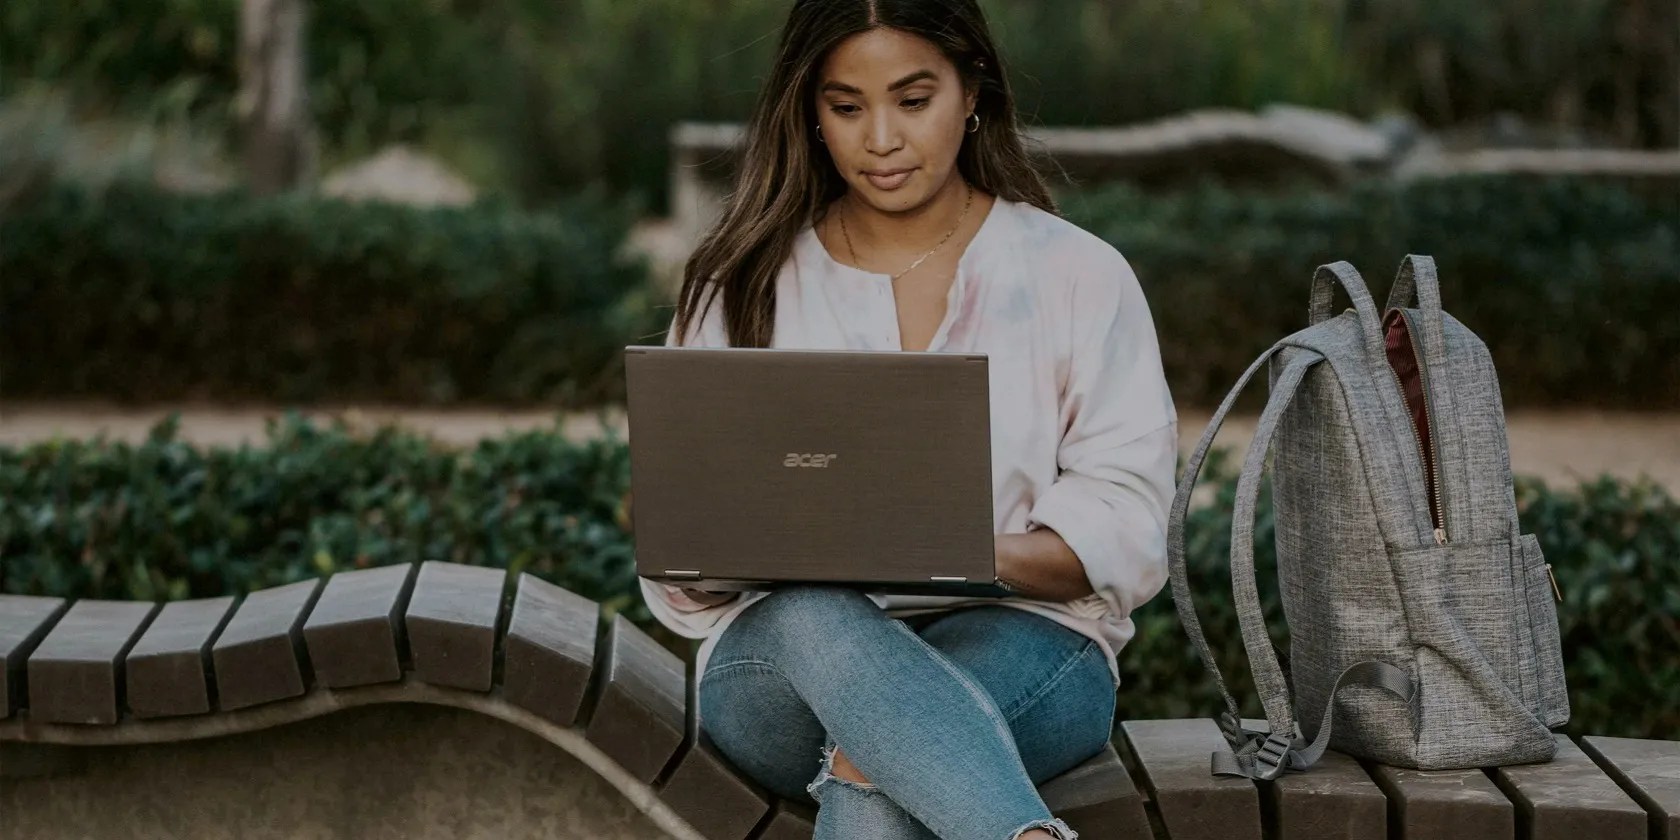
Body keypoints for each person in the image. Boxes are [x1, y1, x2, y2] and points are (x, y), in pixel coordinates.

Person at [639, 1, 1177, 837]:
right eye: (846, 107)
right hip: (783, 671)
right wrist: (713, 546)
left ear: (973, 91)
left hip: (1028, 646)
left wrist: (956, 549)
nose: (881, 139)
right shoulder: (741, 283)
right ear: (811, 113)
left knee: (878, 771)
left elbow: (1128, 530)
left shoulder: (1078, 275)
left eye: (913, 100)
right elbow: (683, 576)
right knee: (816, 612)